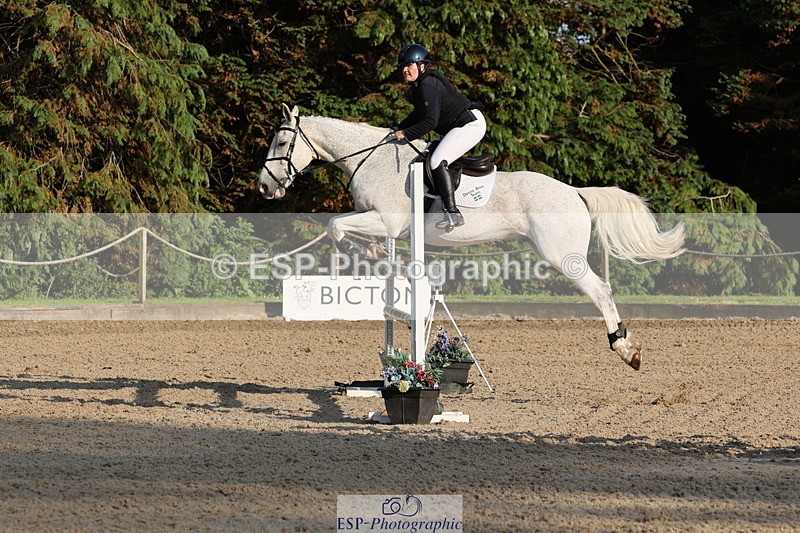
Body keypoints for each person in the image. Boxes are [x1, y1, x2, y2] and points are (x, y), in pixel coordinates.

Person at [392, 43, 486, 230]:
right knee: (425, 157)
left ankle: (452, 212)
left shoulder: (427, 84)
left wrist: (405, 133)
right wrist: (396, 128)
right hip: (456, 127)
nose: (404, 70)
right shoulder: (419, 84)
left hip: (469, 124)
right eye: (402, 67)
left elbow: (430, 123)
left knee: (436, 160)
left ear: (421, 65)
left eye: (409, 65)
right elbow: (419, 114)